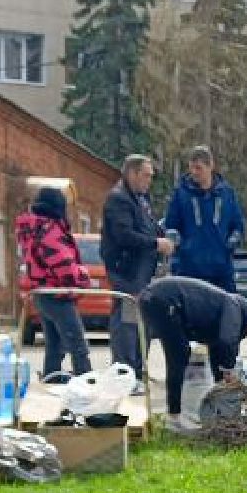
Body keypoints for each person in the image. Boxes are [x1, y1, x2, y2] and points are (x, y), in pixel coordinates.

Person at [139, 274, 247, 430]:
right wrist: (229, 370)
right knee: (178, 354)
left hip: (157, 297)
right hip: (164, 299)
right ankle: (173, 416)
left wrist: (220, 378)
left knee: (180, 353)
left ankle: (176, 414)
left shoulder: (226, 307)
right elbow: (227, 341)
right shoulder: (235, 308)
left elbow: (216, 347)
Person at [101, 154, 174, 380]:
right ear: (131, 173)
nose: (149, 180)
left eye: (151, 176)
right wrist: (155, 243)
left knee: (142, 322)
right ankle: (125, 371)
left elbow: (147, 227)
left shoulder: (141, 199)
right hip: (127, 271)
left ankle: (139, 369)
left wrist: (162, 234)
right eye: (145, 175)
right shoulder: (119, 199)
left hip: (143, 272)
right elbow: (124, 235)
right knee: (127, 324)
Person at [14, 186, 93, 379]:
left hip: (42, 293)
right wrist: (83, 277)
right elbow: (64, 266)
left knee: (55, 344)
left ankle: (52, 378)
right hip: (58, 294)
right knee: (77, 344)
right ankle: (86, 380)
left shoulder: (32, 229)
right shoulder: (50, 231)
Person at [162, 145, 247, 292]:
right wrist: (178, 244)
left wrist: (232, 242)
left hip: (221, 268)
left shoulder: (226, 194)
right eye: (192, 168)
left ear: (210, 167)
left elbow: (237, 224)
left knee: (226, 304)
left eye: (199, 168)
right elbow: (171, 224)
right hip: (188, 268)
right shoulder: (181, 193)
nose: (194, 172)